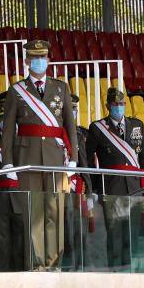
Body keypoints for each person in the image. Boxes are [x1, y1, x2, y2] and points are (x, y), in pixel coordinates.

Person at [1, 39, 78, 271]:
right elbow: (7, 131)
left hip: (56, 159)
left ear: (49, 60)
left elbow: (70, 126)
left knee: (54, 212)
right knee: (34, 214)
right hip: (28, 160)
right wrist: (8, 163)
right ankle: (36, 265)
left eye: (42, 57)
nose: (38, 61)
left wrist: (73, 158)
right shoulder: (16, 91)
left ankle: (53, 265)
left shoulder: (61, 88)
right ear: (27, 61)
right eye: (34, 58)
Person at [86, 87, 144, 270]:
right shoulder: (98, 128)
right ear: (108, 105)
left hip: (135, 187)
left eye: (122, 104)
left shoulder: (137, 125)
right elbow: (89, 158)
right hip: (111, 187)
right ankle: (116, 273)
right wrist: (95, 188)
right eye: (115, 104)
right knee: (114, 234)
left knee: (132, 234)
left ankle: (132, 271)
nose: (119, 107)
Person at [0, 103, 26, 271]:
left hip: (22, 195)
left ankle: (21, 273)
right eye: (2, 119)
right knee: (0, 239)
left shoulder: (25, 141)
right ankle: (2, 274)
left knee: (21, 239)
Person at [63, 93, 93, 270]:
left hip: (75, 189)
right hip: (58, 186)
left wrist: (88, 191)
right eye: (70, 109)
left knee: (78, 231)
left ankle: (80, 267)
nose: (72, 112)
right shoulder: (55, 129)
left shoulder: (80, 134)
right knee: (62, 231)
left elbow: (84, 164)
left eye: (74, 109)